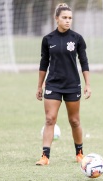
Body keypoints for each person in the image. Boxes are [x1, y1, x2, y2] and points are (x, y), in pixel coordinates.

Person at [35, 3, 91, 166]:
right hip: (53, 84)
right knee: (50, 119)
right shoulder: (48, 39)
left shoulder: (77, 39)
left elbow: (84, 61)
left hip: (73, 84)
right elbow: (43, 63)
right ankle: (45, 157)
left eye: (70, 18)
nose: (68, 21)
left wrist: (87, 84)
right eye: (64, 18)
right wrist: (39, 86)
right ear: (56, 19)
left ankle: (79, 153)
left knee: (74, 121)